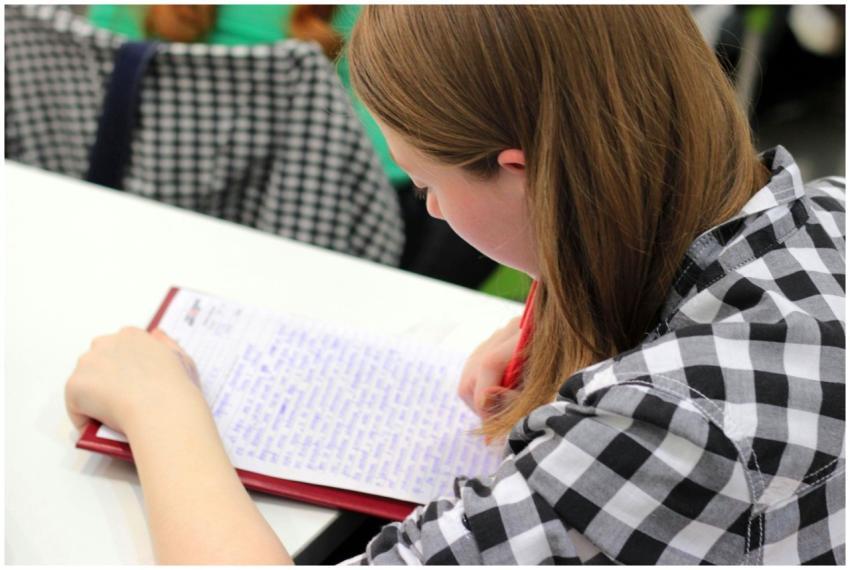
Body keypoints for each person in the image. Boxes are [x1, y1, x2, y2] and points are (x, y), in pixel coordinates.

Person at [64, 6, 845, 565]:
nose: (430, 207)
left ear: (523, 172)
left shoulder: (664, 428)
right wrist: (575, 305)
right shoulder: (829, 216)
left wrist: (162, 411)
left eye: (425, 182)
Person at [88, 4, 497, 287]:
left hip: (151, 200)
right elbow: (392, 142)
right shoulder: (393, 19)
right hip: (336, 222)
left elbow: (103, 95)